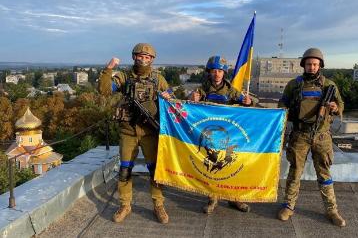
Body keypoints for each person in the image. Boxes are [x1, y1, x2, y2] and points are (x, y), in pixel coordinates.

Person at [98, 43, 172, 224]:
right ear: (134, 57)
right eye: (140, 56)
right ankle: (125, 205)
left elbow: (170, 96)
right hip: (128, 131)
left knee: (155, 170)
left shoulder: (158, 79)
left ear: (152, 60)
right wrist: (108, 69)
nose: (143, 60)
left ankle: (158, 204)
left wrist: (168, 96)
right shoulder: (124, 76)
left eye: (147, 58)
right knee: (125, 169)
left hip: (149, 132)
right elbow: (105, 90)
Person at [277, 48, 346, 227]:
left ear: (320, 65)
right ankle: (288, 206)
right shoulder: (294, 84)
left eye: (315, 64)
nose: (312, 67)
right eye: (309, 64)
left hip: (322, 136)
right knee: (295, 172)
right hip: (300, 135)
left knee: (324, 174)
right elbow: (282, 104)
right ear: (304, 65)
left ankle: (332, 210)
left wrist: (335, 108)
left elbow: (340, 104)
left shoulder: (329, 85)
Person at [189, 55, 252, 214]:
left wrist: (249, 102)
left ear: (224, 73)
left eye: (220, 71)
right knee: (213, 169)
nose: (217, 74)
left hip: (228, 136)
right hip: (210, 136)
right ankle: (213, 199)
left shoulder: (231, 91)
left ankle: (235, 199)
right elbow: (187, 108)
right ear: (209, 72)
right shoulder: (201, 90)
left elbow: (248, 105)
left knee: (232, 167)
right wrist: (191, 99)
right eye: (214, 71)